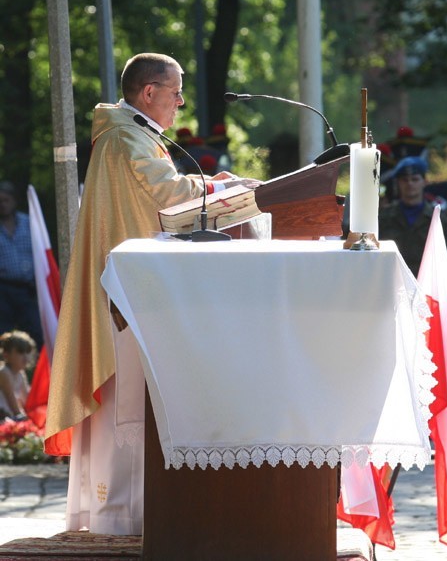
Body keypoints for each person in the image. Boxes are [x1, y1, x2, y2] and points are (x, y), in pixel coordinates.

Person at [44, 53, 258, 536]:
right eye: (177, 92)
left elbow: (164, 193)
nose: (181, 102)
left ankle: (127, 512)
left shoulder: (133, 134)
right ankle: (119, 515)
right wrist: (222, 187)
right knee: (127, 401)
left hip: (138, 291)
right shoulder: (123, 137)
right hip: (129, 300)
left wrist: (214, 186)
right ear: (149, 92)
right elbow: (165, 196)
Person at [378, 155, 447, 276]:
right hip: (392, 280)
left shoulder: (438, 219)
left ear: (424, 182)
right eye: (404, 180)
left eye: (414, 179)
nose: (409, 184)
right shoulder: (384, 217)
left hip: (427, 283)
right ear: (398, 183)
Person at [0, 182, 43, 350]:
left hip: (27, 288)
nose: (3, 204)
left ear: (14, 201)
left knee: (36, 331)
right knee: (3, 332)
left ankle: (37, 369)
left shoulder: (28, 223)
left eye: (6, 200)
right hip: (3, 289)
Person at [0, 330, 35, 421]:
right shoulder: (4, 373)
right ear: (6, 355)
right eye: (20, 352)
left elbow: (28, 403)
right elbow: (15, 409)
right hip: (3, 418)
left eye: (27, 351)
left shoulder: (20, 374)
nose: (25, 356)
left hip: (9, 419)